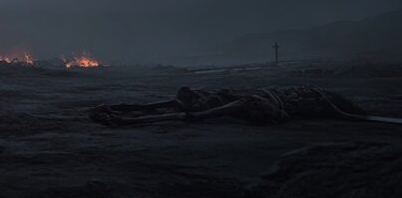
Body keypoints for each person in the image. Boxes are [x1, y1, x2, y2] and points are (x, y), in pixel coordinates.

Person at [88, 86, 366, 126]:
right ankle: (122, 109)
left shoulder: (314, 101)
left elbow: (281, 113)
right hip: (249, 97)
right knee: (185, 97)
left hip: (261, 104)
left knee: (192, 110)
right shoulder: (304, 94)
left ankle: (127, 120)